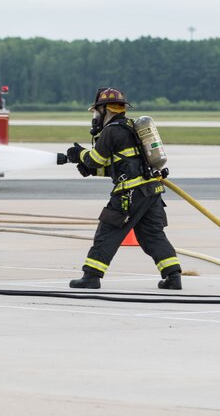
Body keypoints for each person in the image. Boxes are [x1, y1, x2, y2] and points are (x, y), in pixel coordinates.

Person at [66, 87, 182, 290]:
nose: (95, 116)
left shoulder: (111, 131)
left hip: (129, 194)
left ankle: (91, 276)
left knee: (107, 232)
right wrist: (91, 171)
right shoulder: (131, 128)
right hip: (151, 191)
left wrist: (80, 154)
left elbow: (95, 159)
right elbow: (122, 164)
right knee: (152, 235)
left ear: (105, 110)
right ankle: (173, 276)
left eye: (96, 112)